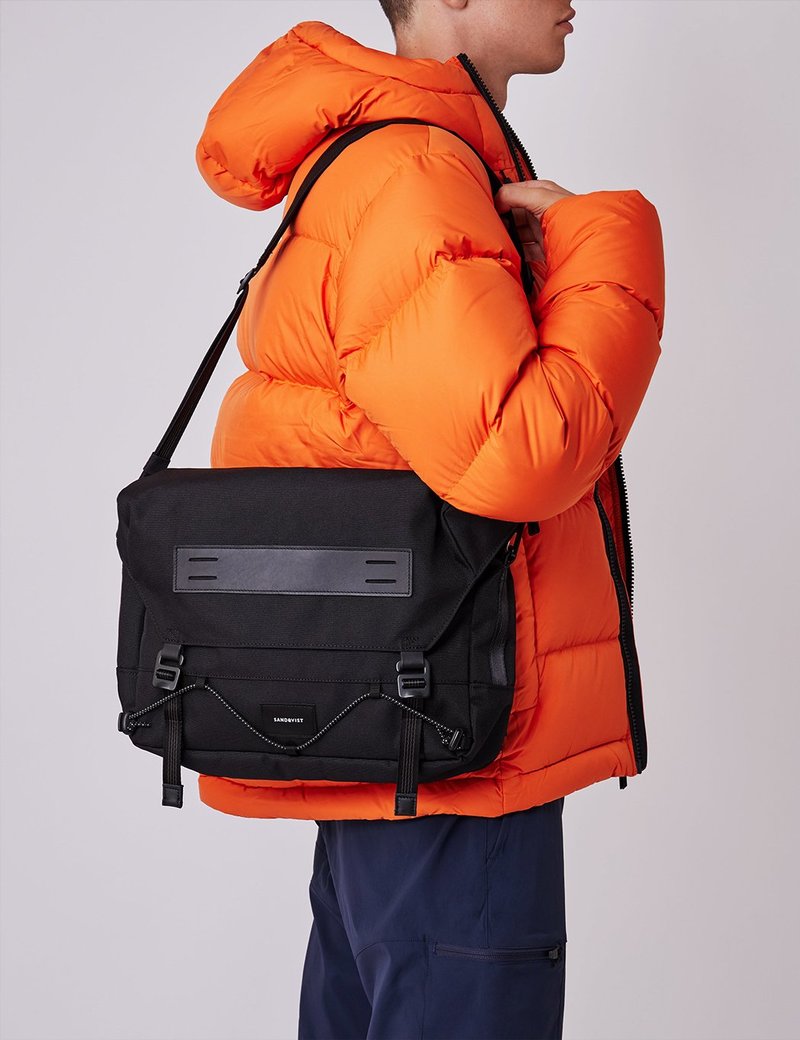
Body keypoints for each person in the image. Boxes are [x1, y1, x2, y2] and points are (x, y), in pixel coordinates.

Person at [194, 0, 665, 1036]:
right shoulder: (415, 176)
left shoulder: (394, 163)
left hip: (409, 734)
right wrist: (605, 246)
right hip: (454, 750)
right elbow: (520, 455)